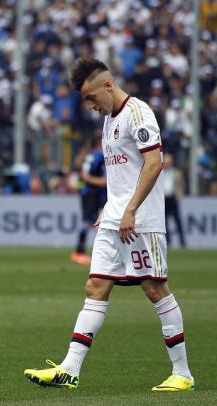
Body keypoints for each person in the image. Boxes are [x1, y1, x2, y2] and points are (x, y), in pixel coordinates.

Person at [24, 58, 194, 392]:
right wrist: (110, 207)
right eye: (84, 101)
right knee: (96, 286)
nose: (89, 106)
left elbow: (154, 164)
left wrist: (130, 209)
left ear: (107, 85)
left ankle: (183, 373)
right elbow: (121, 173)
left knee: (154, 288)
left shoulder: (138, 112)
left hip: (140, 220)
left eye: (91, 98)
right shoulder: (107, 120)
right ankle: (69, 369)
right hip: (114, 217)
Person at [71, 136, 106, 265]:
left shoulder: (88, 156)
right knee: (95, 222)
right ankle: (80, 252)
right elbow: (103, 181)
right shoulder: (100, 157)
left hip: (87, 192)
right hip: (94, 192)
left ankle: (83, 252)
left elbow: (81, 174)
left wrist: (82, 185)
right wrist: (87, 180)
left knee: (95, 222)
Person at [162, 153, 186, 248]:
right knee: (165, 222)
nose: (167, 163)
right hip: (163, 199)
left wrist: (180, 196)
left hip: (173, 198)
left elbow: (182, 185)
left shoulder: (177, 172)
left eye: (169, 161)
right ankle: (168, 241)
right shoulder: (160, 172)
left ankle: (182, 242)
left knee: (178, 221)